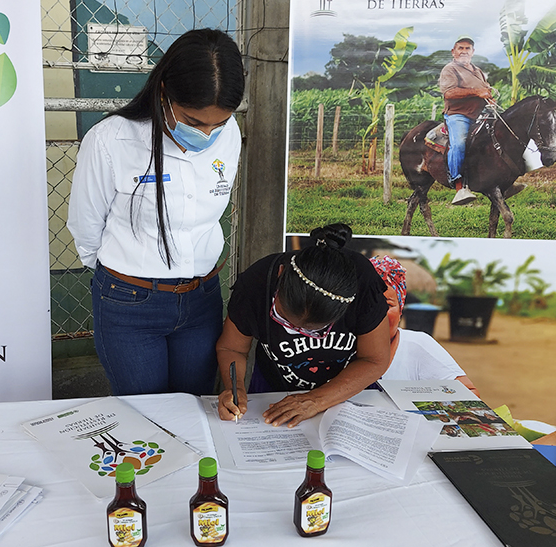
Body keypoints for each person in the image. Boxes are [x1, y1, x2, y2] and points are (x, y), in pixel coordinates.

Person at [68, 29, 244, 396]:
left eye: (219, 123)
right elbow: (86, 225)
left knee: (196, 406)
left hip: (202, 299)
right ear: (164, 91)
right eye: (194, 123)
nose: (208, 134)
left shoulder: (228, 136)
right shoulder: (110, 140)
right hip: (129, 303)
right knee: (145, 416)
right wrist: (125, 273)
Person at [215, 224, 390, 427]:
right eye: (283, 320)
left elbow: (374, 359)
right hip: (274, 388)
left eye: (315, 330)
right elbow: (231, 347)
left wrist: (317, 400)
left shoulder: (363, 281)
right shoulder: (257, 283)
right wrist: (234, 387)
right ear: (281, 274)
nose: (299, 333)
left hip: (349, 391)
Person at [368, 255, 480, 396]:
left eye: (387, 305)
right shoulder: (338, 346)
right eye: (366, 304)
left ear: (400, 309)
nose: (376, 313)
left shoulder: (417, 345)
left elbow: (470, 394)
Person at [439, 35, 494, 206]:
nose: (464, 51)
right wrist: (476, 92)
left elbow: (485, 91)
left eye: (467, 48)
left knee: (500, 138)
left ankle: (499, 181)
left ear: (473, 52)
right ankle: (459, 186)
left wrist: (490, 99)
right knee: (459, 144)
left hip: (480, 114)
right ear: (453, 51)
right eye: (460, 48)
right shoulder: (450, 69)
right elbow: (449, 93)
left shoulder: (477, 71)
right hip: (458, 115)